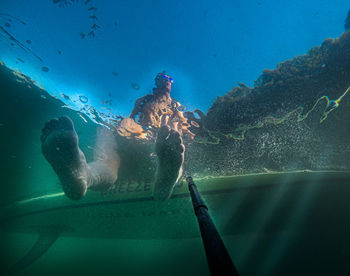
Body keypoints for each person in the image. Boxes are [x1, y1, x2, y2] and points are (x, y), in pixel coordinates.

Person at [41, 73, 190, 201]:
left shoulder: (176, 106)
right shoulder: (144, 100)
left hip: (159, 144)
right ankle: (82, 175)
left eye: (169, 79)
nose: (167, 81)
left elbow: (184, 128)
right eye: (163, 78)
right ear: (157, 82)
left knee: (172, 142)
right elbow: (132, 118)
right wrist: (124, 128)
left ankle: (167, 174)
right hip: (142, 140)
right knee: (108, 134)